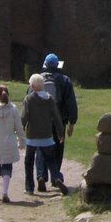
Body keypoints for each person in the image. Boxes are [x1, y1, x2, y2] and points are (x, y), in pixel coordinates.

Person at [38, 54, 77, 194]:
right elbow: (71, 102)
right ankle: (56, 177)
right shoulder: (65, 80)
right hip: (60, 120)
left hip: (42, 121)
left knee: (41, 147)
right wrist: (72, 122)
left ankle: (41, 176)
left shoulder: (38, 79)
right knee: (58, 148)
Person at [22, 73, 66, 195]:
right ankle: (56, 177)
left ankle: (30, 187)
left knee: (29, 162)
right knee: (51, 160)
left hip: (32, 136)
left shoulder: (29, 99)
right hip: (47, 135)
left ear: (32, 86)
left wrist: (20, 131)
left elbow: (24, 117)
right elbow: (57, 117)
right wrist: (60, 133)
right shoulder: (50, 99)